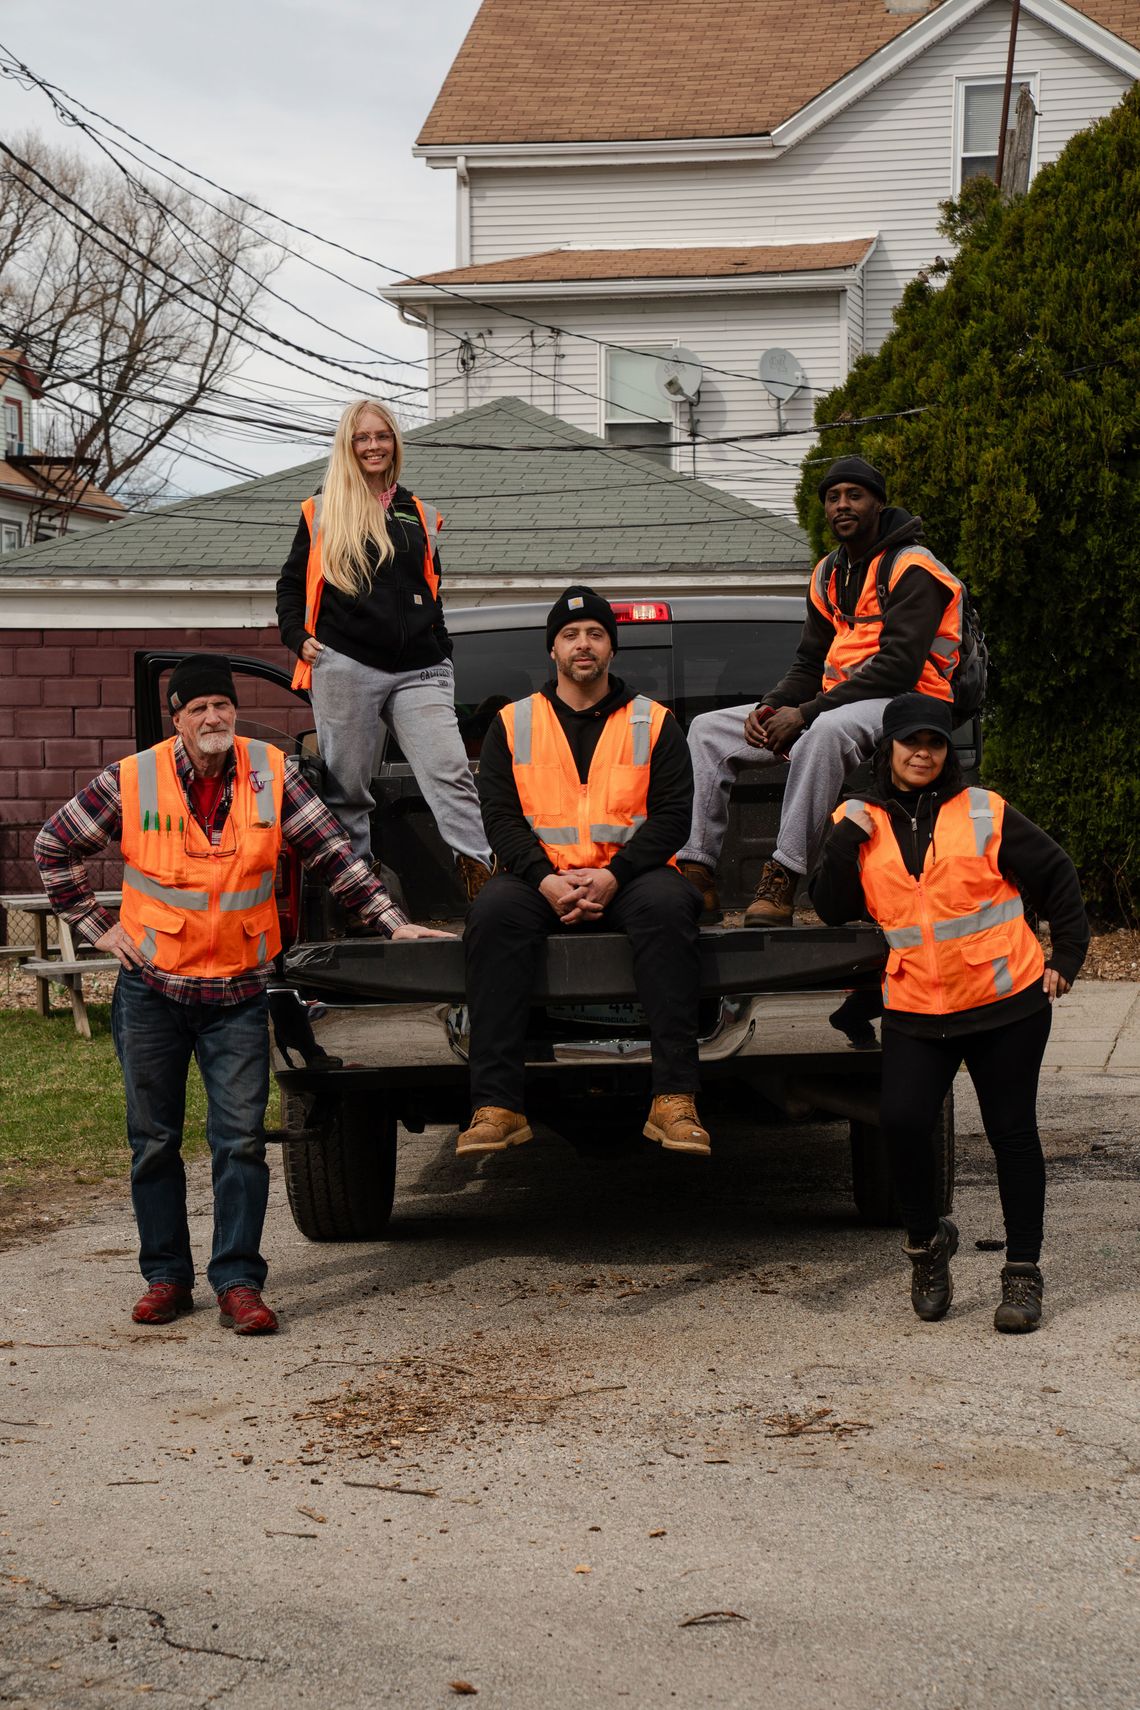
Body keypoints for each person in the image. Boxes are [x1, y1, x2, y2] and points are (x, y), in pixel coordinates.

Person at [34, 655, 450, 1336]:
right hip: (153, 990)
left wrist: (392, 922)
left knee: (240, 1144)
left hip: (237, 991)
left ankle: (237, 1284)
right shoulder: (132, 779)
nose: (212, 718)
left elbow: (336, 856)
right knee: (154, 1142)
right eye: (197, 708)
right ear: (177, 720)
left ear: (233, 712)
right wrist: (99, 930)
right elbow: (54, 847)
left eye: (220, 706)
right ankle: (165, 1278)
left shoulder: (271, 771)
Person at [811, 692, 1089, 1334]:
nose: (923, 753)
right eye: (911, 742)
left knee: (1011, 1135)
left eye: (934, 742)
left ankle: (1022, 1274)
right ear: (888, 751)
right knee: (903, 1123)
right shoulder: (863, 820)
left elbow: (1056, 873)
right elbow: (829, 906)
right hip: (915, 1007)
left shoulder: (984, 811)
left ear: (948, 751)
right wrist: (841, 838)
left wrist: (1067, 956)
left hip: (1006, 1005)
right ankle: (926, 1244)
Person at [456, 586, 710, 1159]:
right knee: (491, 915)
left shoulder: (655, 721)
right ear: (553, 650)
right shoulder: (513, 722)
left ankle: (674, 1099)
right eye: (570, 635)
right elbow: (499, 816)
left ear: (612, 649)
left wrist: (614, 876)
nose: (583, 644)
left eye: (595, 633)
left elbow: (672, 818)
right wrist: (544, 878)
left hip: (631, 877)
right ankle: (497, 1106)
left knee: (672, 908)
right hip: (538, 878)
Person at [679, 454, 969, 927]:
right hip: (843, 702)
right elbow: (810, 664)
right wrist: (773, 705)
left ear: (878, 503)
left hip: (915, 700)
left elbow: (898, 667)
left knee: (824, 732)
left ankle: (783, 880)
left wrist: (807, 712)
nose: (841, 505)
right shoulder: (828, 574)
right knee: (708, 730)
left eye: (854, 495)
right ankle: (697, 874)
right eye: (833, 497)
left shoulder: (913, 567)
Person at [276, 397, 492, 901]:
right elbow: (290, 585)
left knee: (450, 771)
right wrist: (296, 636)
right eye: (362, 438)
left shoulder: (418, 512)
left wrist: (442, 650)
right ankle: (359, 890)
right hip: (346, 662)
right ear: (348, 447)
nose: (374, 446)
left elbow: (431, 589)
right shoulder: (324, 508)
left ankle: (483, 879)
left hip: (421, 668)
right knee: (347, 787)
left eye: (382, 436)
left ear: (395, 442)